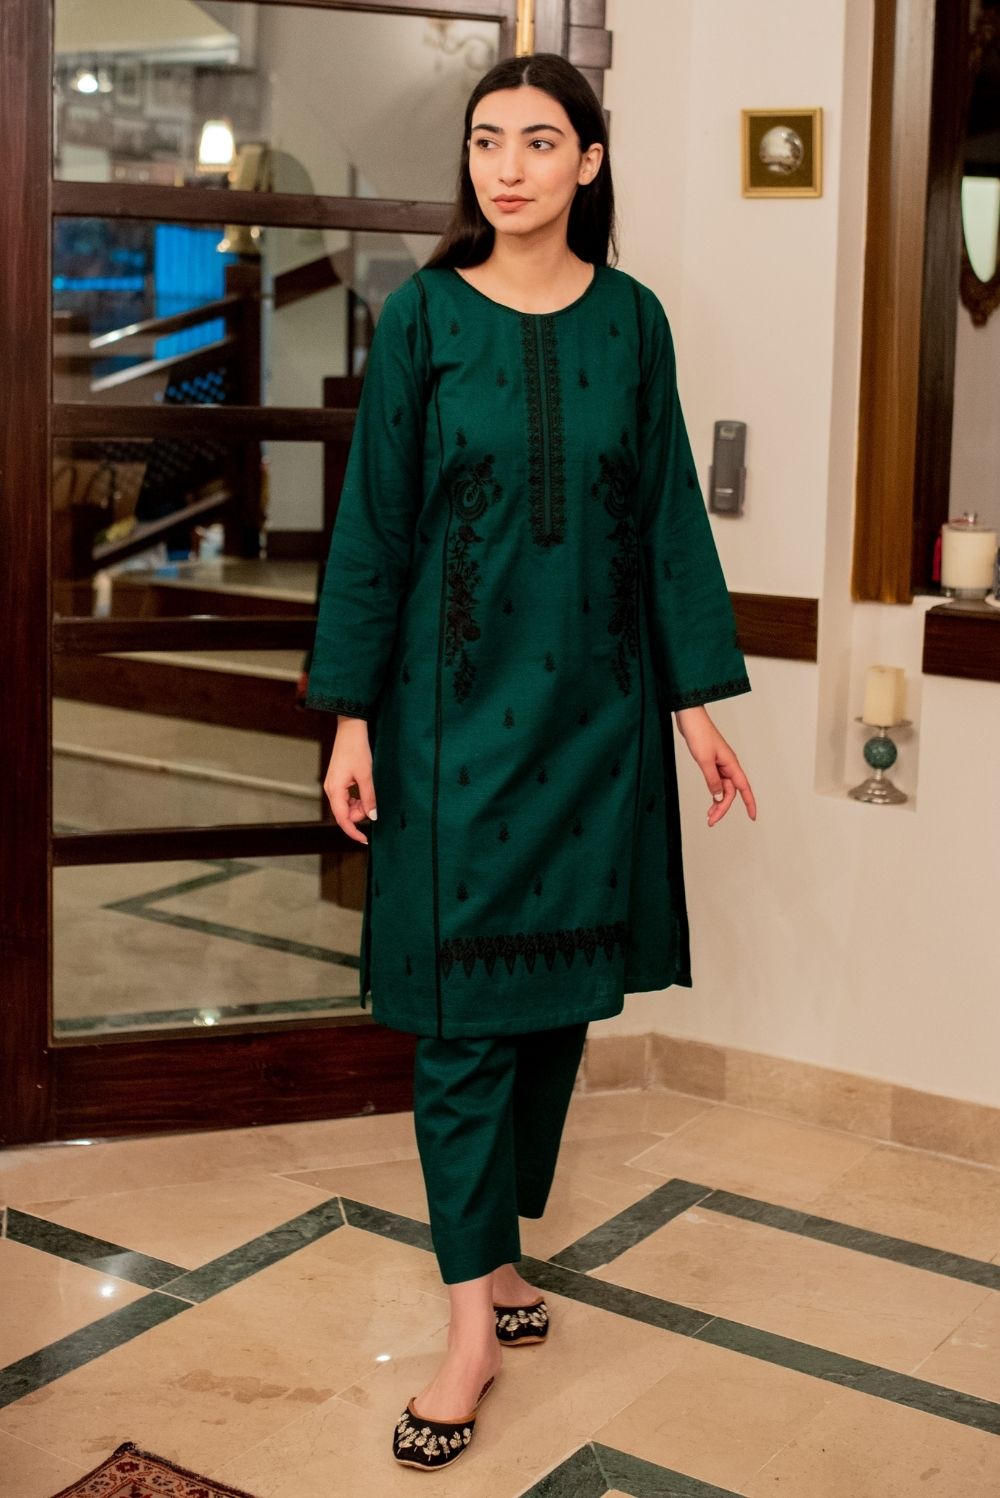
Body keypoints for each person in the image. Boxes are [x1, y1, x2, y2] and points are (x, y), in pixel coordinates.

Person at [304, 51, 756, 1471]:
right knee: (459, 1027)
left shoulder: (633, 322)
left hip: (596, 722)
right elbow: (375, 526)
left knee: (557, 1008)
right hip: (446, 727)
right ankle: (467, 1332)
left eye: (540, 141)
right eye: (487, 140)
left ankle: (496, 1252)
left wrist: (695, 707)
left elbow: (668, 516)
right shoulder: (427, 316)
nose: (507, 166)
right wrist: (351, 715)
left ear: (589, 162)